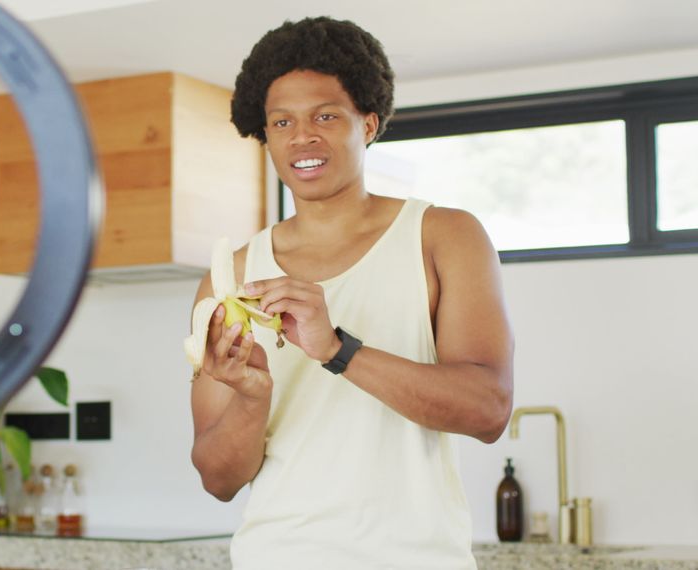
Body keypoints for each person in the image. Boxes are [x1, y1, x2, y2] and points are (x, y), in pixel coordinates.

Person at [189, 17, 514, 569]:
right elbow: (218, 480)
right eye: (282, 121)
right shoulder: (234, 276)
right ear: (265, 136)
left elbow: (488, 411)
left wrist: (337, 348)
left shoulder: (444, 236)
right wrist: (251, 395)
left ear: (367, 123)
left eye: (325, 116)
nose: (302, 136)